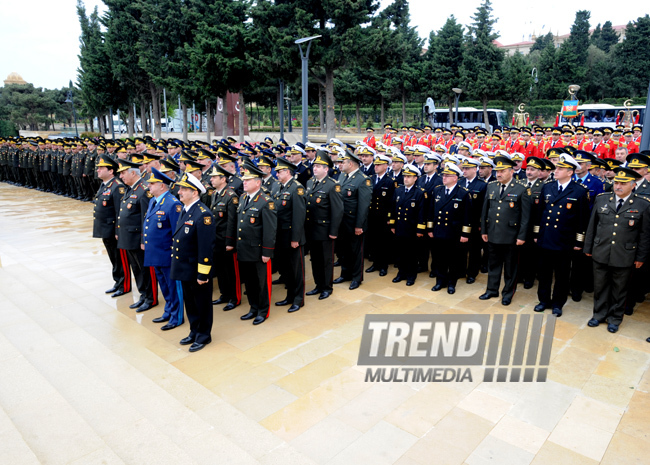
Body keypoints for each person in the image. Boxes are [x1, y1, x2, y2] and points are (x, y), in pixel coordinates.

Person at [585, 167, 650, 333]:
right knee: (600, 286)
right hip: (601, 250)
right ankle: (598, 315)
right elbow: (592, 225)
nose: (618, 186)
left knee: (619, 289)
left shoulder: (642, 204)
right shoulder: (602, 199)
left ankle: (615, 318)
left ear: (633, 185)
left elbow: (644, 234)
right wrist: (588, 247)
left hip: (625, 254)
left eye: (623, 183)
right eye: (616, 182)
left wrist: (641, 257)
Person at [532, 155, 590, 317]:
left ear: (570, 172)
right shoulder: (548, 187)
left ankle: (558, 303)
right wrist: (537, 233)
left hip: (565, 241)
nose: (555, 171)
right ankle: (543, 300)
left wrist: (579, 241)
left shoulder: (579, 191)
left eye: (560, 168)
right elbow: (540, 213)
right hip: (546, 238)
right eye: (556, 168)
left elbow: (582, 219)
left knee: (562, 275)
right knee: (544, 273)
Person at [171, 173, 216, 352]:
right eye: (180, 189)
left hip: (197, 270)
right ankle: (194, 330)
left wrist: (203, 274)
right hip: (185, 268)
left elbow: (206, 249)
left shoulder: (203, 215)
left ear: (195, 192)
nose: (179, 192)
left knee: (202, 303)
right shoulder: (186, 209)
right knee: (190, 302)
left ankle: (204, 335)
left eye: (184, 189)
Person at [480, 156, 531, 306]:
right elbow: (485, 210)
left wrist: (521, 236)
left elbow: (525, 217)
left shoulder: (521, 189)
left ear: (511, 171)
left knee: (510, 267)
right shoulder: (492, 186)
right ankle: (491, 290)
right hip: (493, 233)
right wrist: (484, 230)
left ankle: (508, 293)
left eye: (502, 171)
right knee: (493, 264)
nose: (499, 174)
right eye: (497, 171)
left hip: (511, 236)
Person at [143, 168, 184, 330]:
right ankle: (169, 310)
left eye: (152, 184)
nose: (149, 187)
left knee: (173, 287)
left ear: (162, 186)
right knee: (164, 286)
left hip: (168, 254)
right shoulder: (154, 201)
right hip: (156, 253)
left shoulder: (173, 204)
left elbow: (176, 233)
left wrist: (175, 256)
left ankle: (177, 316)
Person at [236, 161, 277, 325]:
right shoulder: (243, 198)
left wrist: (267, 252)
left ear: (258, 182)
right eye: (244, 179)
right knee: (250, 282)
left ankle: (262, 311)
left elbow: (270, 230)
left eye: (248, 180)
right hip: (245, 249)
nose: (244, 182)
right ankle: (253, 308)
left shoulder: (266, 201)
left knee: (261, 283)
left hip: (258, 251)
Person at [116, 158, 158, 312]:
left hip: (138, 239)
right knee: (136, 269)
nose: (121, 176)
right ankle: (143, 294)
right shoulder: (131, 188)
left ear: (133, 173)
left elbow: (145, 219)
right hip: (128, 237)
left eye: (123, 173)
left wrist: (144, 240)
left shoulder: (144, 190)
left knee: (145, 269)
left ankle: (151, 298)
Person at [305, 151, 344, 300]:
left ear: (326, 169)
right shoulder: (309, 182)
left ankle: (327, 287)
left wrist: (333, 231)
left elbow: (337, 211)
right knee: (314, 259)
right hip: (312, 229)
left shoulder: (332, 185)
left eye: (319, 166)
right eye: (314, 166)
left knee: (326, 260)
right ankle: (318, 285)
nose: (315, 169)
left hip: (325, 230)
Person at [428, 163, 471, 294]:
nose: (444, 178)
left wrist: (465, 234)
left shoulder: (463, 193)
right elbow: (431, 211)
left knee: (453, 259)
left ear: (455, 178)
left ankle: (452, 283)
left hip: (454, 232)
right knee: (439, 258)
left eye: (448, 176)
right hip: (439, 231)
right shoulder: (437, 190)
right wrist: (430, 229)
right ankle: (440, 281)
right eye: (443, 175)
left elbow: (467, 216)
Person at [333, 148, 372, 290]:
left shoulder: (363, 180)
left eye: (343, 162)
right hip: (342, 222)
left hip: (354, 222)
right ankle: (345, 274)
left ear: (351, 164)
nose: (341, 165)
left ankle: (356, 278)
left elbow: (363, 205)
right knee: (344, 250)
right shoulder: (342, 177)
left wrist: (359, 225)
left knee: (356, 251)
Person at [273, 158, 307, 312]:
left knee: (296, 269)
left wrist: (295, 238)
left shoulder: (296, 188)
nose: (277, 174)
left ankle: (298, 300)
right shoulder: (280, 187)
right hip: (281, 235)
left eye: (279, 171)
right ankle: (289, 296)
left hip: (292, 236)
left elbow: (299, 216)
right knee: (286, 268)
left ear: (287, 172)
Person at [93, 155, 128, 296]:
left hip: (113, 230)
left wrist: (117, 230)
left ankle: (123, 285)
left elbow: (119, 212)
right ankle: (117, 281)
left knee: (120, 259)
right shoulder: (105, 185)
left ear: (111, 171)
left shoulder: (117, 187)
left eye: (101, 168)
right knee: (113, 258)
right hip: (105, 229)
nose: (98, 170)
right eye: (98, 168)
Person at [208, 164, 241, 311]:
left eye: (214, 177)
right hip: (216, 239)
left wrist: (230, 241)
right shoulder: (215, 194)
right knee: (220, 270)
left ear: (223, 179)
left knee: (230, 271)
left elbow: (232, 221)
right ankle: (224, 294)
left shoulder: (231, 196)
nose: (211, 179)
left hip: (226, 241)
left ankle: (235, 297)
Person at [390, 164, 428, 286]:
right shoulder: (398, 190)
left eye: (409, 177)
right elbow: (393, 209)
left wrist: (420, 230)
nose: (405, 179)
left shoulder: (419, 193)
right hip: (400, 227)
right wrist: (392, 224)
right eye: (405, 176)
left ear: (415, 178)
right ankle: (401, 273)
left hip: (411, 229)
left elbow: (422, 213)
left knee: (411, 254)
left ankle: (411, 276)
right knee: (400, 253)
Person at [459, 157, 487, 283]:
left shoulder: (482, 185)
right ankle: (461, 270)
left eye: (467, 168)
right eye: (464, 168)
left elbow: (484, 207)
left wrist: (482, 223)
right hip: (460, 222)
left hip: (475, 222)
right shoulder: (459, 183)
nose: (464, 170)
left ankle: (472, 273)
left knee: (474, 250)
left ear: (475, 169)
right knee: (460, 249)